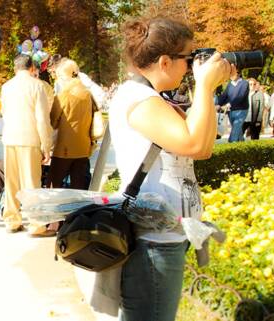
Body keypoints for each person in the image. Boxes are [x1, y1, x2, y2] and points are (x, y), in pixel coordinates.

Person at [105, 17, 231, 321]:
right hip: (153, 244)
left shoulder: (149, 98)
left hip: (161, 237)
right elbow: (194, 146)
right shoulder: (139, 100)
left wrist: (209, 90)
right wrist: (204, 85)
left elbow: (204, 145)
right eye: (188, 58)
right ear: (165, 62)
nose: (191, 67)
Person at [0, 54, 54, 235]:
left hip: (10, 138)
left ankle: (11, 221)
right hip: (30, 138)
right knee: (31, 183)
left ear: (15, 68)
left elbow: (4, 113)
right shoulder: (38, 86)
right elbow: (42, 119)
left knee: (11, 182)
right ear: (31, 68)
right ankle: (36, 224)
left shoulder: (6, 87)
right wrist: (46, 146)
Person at [47, 58, 94, 189]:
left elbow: (53, 122)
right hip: (84, 146)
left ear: (63, 76)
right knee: (78, 187)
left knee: (52, 184)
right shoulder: (87, 93)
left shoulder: (64, 95)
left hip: (65, 148)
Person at [218, 68, 249, 142]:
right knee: (238, 130)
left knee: (236, 128)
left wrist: (229, 104)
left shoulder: (244, 83)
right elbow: (224, 96)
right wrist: (218, 104)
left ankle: (231, 143)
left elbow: (241, 96)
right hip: (231, 111)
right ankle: (241, 144)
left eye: (231, 73)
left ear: (238, 73)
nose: (230, 76)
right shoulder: (230, 84)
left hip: (241, 110)